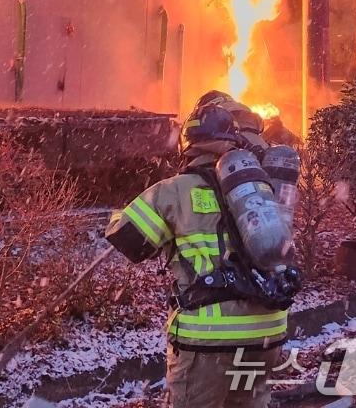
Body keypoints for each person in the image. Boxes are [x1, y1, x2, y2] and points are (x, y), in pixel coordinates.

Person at [106, 91, 299, 407]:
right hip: (266, 332)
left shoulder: (174, 191)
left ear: (187, 145)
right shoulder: (258, 188)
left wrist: (120, 213)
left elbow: (128, 241)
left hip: (209, 337)